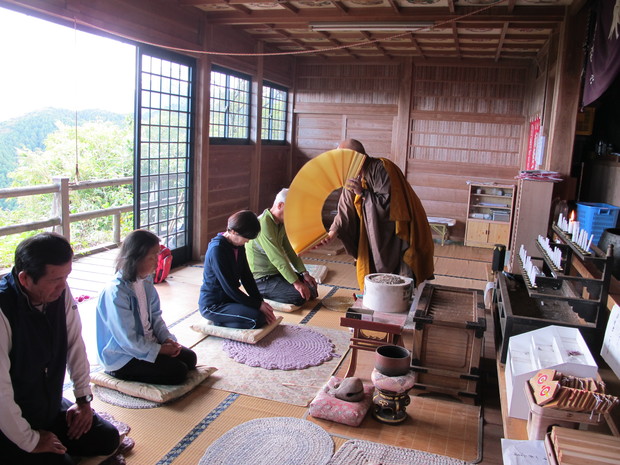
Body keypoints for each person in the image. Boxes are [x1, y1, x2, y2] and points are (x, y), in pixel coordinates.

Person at [0, 232, 120, 465]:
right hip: (8, 418)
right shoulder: (3, 309)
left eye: (66, 277)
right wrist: (30, 440)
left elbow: (75, 344)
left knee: (106, 439)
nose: (63, 286)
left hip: (47, 404)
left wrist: (83, 400)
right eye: (55, 280)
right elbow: (1, 393)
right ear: (25, 279)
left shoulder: (60, 293)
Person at [322, 139, 435, 290]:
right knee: (372, 272)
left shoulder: (381, 168)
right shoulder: (352, 174)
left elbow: (390, 206)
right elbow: (345, 209)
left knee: (402, 276)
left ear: (355, 157)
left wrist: (362, 193)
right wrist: (331, 234)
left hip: (395, 233)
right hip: (370, 234)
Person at [96, 229, 197, 385]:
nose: (157, 261)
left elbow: (156, 316)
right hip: (123, 354)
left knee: (190, 358)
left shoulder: (146, 280)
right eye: (153, 256)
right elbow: (127, 340)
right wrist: (161, 350)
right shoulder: (117, 292)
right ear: (136, 258)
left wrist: (167, 340)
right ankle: (115, 371)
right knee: (178, 371)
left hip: (148, 343)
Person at [199, 210, 276, 329]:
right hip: (214, 304)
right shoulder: (217, 249)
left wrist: (260, 302)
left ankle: (229, 317)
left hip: (230, 299)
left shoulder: (238, 246)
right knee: (256, 319)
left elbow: (247, 277)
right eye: (246, 238)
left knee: (262, 314)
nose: (248, 241)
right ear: (233, 231)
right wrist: (257, 305)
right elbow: (229, 288)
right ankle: (218, 322)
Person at [246, 188, 318, 306]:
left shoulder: (280, 222)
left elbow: (290, 249)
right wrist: (296, 283)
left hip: (276, 274)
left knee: (311, 288)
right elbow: (277, 258)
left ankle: (283, 288)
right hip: (261, 279)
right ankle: (261, 294)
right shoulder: (263, 224)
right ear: (280, 205)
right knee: (299, 297)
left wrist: (304, 273)